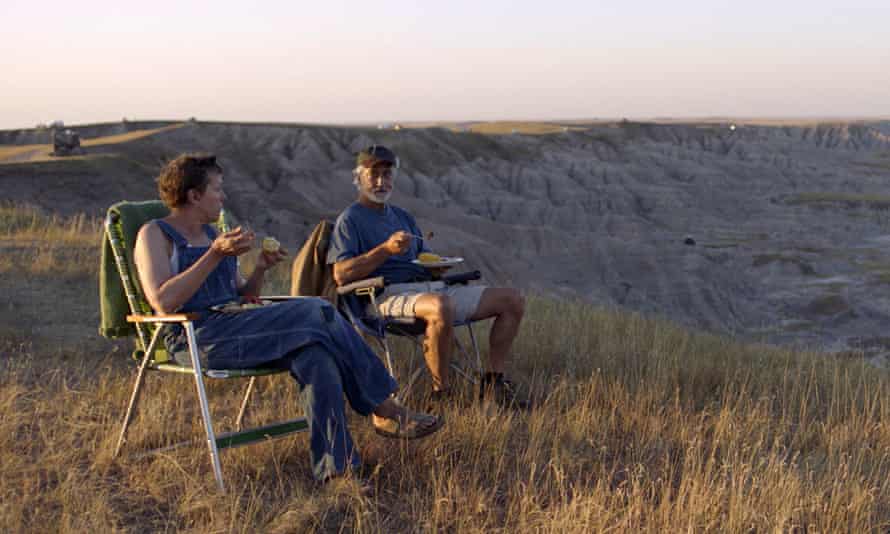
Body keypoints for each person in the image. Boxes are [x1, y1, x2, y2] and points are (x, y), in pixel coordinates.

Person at [133, 153, 442, 483]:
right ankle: (386, 409)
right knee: (319, 308)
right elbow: (163, 301)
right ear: (194, 196)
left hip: (239, 326)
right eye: (217, 190)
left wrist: (261, 267)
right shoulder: (155, 235)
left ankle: (337, 473)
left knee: (317, 357)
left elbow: (242, 294)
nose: (223, 197)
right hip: (197, 336)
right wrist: (214, 255)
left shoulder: (212, 236)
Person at [327, 145, 529, 409]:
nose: (380, 182)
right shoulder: (350, 219)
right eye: (373, 174)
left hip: (429, 287)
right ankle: (441, 395)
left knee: (512, 300)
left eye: (386, 175)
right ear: (359, 177)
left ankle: (493, 385)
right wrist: (385, 250)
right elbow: (341, 274)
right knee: (440, 305)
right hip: (383, 296)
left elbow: (424, 258)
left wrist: (438, 267)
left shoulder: (402, 217)